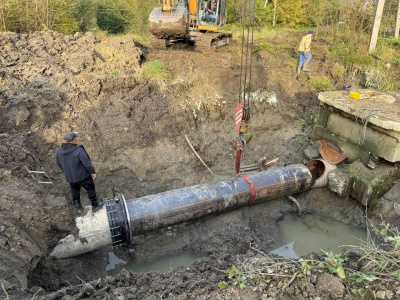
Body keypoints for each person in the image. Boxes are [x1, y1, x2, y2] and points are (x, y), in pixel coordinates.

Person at [55, 132, 103, 214]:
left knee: (75, 192)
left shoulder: (59, 150)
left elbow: (58, 163)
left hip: (71, 177)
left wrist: (67, 171)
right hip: (83, 177)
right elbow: (87, 163)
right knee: (90, 189)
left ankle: (79, 208)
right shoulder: (78, 150)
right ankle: (95, 206)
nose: (76, 139)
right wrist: (93, 172)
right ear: (73, 140)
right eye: (75, 138)